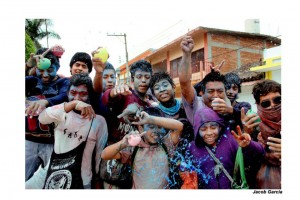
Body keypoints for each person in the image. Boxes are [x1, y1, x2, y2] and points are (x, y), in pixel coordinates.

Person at [25, 73, 108, 189]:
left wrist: (97, 181)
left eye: (83, 94)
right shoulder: (62, 112)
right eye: (73, 93)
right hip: (50, 172)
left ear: (89, 95)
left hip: (83, 180)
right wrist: (73, 104)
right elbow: (43, 117)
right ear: (67, 93)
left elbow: (99, 155)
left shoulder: (98, 121)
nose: (77, 98)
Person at [181, 107, 265, 189]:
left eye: (213, 128)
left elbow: (261, 153)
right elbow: (185, 170)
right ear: (196, 130)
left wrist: (248, 145)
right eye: (203, 129)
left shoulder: (230, 140)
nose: (209, 133)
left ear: (220, 127)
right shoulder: (192, 148)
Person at [101, 107, 183, 189]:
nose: (155, 131)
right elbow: (105, 155)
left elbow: (179, 126)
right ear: (140, 129)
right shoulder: (134, 148)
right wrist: (122, 143)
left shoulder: (167, 144)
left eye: (159, 127)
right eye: (151, 127)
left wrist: (150, 119)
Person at [25, 48, 70, 181]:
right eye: (42, 70)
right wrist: (28, 65)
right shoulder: (31, 81)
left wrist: (47, 101)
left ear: (57, 67)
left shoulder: (63, 82)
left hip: (53, 142)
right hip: (29, 141)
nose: (45, 75)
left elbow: (64, 96)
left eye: (50, 70)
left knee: (52, 180)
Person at [179, 35, 239, 127]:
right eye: (210, 91)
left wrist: (231, 111)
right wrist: (186, 54)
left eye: (220, 91)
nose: (215, 95)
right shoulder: (196, 103)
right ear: (202, 93)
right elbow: (184, 82)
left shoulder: (228, 106)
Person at [148, 71, 194, 188]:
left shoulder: (186, 106)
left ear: (173, 87)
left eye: (165, 85)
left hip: (192, 157)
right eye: (157, 88)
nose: (162, 90)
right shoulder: (154, 114)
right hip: (168, 164)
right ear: (153, 94)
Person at [252, 80, 281, 189]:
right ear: (259, 105)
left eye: (277, 100)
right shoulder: (255, 129)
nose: (273, 106)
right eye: (266, 103)